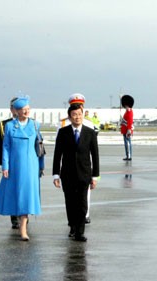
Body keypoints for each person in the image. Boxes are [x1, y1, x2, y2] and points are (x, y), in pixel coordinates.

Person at [0, 96, 44, 241]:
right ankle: (18, 222)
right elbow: (6, 147)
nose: (26, 112)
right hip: (15, 165)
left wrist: (41, 166)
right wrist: (5, 166)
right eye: (23, 109)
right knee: (16, 194)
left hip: (31, 165)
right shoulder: (9, 126)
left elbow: (40, 146)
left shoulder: (35, 125)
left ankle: (23, 228)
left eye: (28, 109)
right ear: (16, 111)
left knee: (27, 195)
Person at [53, 103, 100, 242]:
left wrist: (95, 176)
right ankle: (72, 226)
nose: (77, 117)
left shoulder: (90, 133)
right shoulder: (63, 132)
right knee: (70, 202)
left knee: (82, 203)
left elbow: (95, 155)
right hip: (67, 174)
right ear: (69, 117)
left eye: (79, 114)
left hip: (84, 174)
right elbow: (57, 155)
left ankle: (80, 231)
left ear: (82, 115)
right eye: (74, 115)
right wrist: (56, 174)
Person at [59, 93, 96, 223]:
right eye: (76, 106)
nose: (78, 108)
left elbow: (92, 147)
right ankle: (73, 220)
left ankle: (85, 215)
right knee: (71, 196)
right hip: (69, 166)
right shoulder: (63, 124)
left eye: (80, 105)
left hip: (84, 164)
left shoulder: (89, 124)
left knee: (85, 194)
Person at [0, 97, 21, 229]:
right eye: (15, 107)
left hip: (24, 162)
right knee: (12, 190)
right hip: (9, 163)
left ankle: (24, 215)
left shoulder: (31, 123)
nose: (17, 110)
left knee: (24, 190)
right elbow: (0, 145)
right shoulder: (4, 124)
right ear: (11, 109)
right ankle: (14, 218)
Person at [120, 95, 134, 161]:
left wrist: (129, 129)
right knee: (126, 143)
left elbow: (130, 121)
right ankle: (127, 155)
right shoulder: (127, 111)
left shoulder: (129, 111)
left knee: (127, 143)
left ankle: (129, 156)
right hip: (125, 129)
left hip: (127, 130)